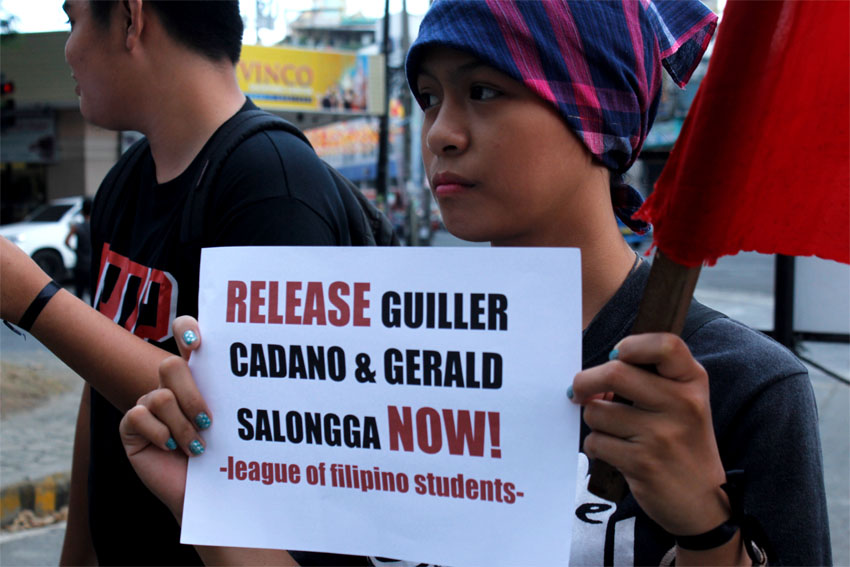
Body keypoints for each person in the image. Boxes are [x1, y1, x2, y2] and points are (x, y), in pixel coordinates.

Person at [118, 0, 832, 565]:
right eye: (429, 97)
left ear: (592, 110)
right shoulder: (375, 355)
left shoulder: (741, 387)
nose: (440, 133)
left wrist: (706, 530)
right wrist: (202, 498)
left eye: (483, 91)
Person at [0, 0, 365, 565]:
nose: (68, 50)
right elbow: (98, 389)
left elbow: (259, 425)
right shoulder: (127, 178)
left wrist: (34, 299)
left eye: (73, 20)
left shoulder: (271, 181)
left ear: (131, 17)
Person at [64, 196, 92, 301]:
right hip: (92, 264)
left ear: (82, 211)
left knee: (79, 295)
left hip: (80, 263)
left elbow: (66, 241)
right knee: (92, 294)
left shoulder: (77, 227)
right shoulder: (95, 226)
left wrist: (75, 250)